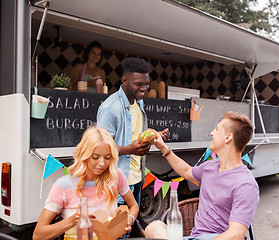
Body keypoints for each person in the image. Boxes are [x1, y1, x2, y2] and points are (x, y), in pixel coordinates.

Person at [145, 111, 259, 240]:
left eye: (216, 129)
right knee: (154, 227)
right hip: (196, 237)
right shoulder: (210, 167)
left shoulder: (245, 184)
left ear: (228, 137)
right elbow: (186, 171)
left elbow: (235, 235)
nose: (211, 133)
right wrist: (163, 147)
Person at [33, 127, 139, 240]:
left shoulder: (115, 176)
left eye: (107, 157)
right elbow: (38, 235)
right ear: (84, 155)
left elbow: (134, 206)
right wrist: (73, 220)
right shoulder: (64, 185)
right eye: (95, 157)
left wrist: (129, 220)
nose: (102, 163)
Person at [96, 57, 168, 207]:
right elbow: (98, 149)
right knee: (117, 229)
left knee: (130, 226)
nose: (144, 89)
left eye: (146, 84)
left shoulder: (139, 101)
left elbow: (136, 134)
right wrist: (130, 149)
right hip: (116, 183)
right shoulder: (111, 108)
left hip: (137, 178)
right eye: (138, 84)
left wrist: (154, 136)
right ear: (124, 81)